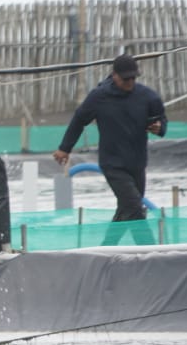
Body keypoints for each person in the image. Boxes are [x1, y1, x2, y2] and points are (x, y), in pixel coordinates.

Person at [53, 53, 167, 245]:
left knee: (127, 209)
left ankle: (106, 249)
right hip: (113, 163)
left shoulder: (147, 97)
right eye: (125, 79)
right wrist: (65, 148)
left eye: (133, 78)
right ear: (114, 75)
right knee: (134, 206)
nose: (129, 82)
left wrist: (159, 127)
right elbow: (79, 120)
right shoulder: (99, 97)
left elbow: (161, 120)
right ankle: (150, 250)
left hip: (137, 163)